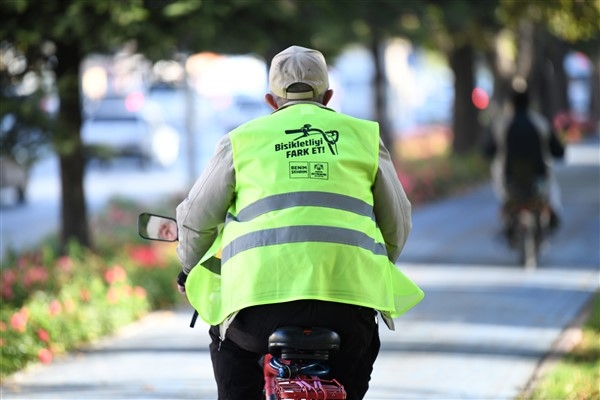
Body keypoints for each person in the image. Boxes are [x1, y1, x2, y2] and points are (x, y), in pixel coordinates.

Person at [175, 45, 424, 400]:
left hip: (258, 307)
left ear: (270, 100)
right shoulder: (364, 137)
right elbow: (398, 223)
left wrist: (188, 268)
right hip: (348, 302)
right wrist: (373, 264)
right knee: (354, 367)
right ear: (328, 95)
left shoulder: (242, 141)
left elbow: (194, 219)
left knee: (228, 345)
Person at [484, 87, 565, 235]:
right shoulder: (541, 123)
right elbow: (558, 151)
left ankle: (508, 221)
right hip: (539, 175)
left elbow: (488, 150)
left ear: (512, 104)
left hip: (508, 177)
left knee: (505, 198)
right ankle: (552, 217)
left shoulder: (501, 125)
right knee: (551, 195)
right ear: (529, 103)